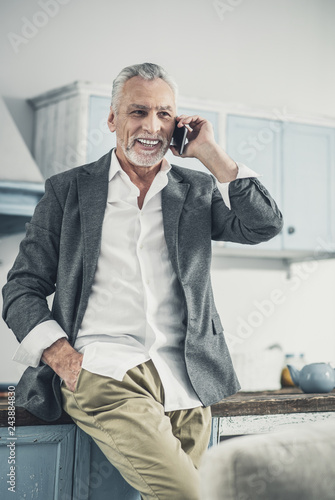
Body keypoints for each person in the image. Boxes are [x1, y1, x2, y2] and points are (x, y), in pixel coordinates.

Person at [2, 62, 283, 499]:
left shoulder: (195, 189)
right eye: (137, 112)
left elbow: (263, 225)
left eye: (164, 114)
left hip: (188, 380)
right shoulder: (69, 190)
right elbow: (21, 287)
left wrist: (211, 154)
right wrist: (60, 356)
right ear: (113, 118)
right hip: (105, 372)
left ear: (177, 123)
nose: (151, 126)